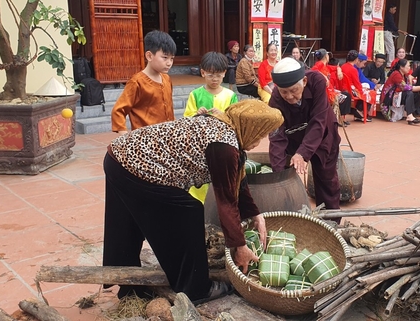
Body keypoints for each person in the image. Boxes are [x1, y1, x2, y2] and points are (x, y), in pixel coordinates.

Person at [103, 100, 284, 302]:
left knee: (128, 224)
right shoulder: (223, 146)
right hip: (135, 165)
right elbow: (226, 200)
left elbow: (236, 182)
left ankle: (130, 289)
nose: (258, 141)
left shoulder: (227, 124)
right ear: (248, 126)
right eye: (259, 134)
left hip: (119, 157)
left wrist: (254, 214)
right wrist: (240, 247)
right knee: (187, 213)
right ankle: (196, 289)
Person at [267, 58, 342, 219]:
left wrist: (303, 153)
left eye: (294, 90)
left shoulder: (317, 81)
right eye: (284, 91)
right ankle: (290, 216)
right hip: (294, 137)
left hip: (324, 134)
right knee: (286, 175)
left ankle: (332, 220)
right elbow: (276, 137)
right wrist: (278, 176)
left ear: (304, 81)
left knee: (326, 178)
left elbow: (318, 121)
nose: (289, 96)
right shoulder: (275, 99)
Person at [184, 52, 239, 202]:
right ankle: (200, 203)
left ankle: (219, 203)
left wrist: (222, 115)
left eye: (218, 75)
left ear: (224, 74)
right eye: (210, 75)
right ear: (203, 73)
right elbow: (187, 119)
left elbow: (235, 120)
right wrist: (197, 114)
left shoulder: (230, 95)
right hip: (201, 146)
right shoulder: (195, 95)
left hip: (222, 144)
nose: (215, 79)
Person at [111, 30, 176, 134]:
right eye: (165, 57)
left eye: (171, 58)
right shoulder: (137, 82)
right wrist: (125, 138)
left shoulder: (167, 79)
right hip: (145, 140)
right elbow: (118, 111)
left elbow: (169, 110)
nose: (169, 63)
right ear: (149, 56)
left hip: (167, 139)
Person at [312, 49, 350, 126]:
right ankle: (338, 119)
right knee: (345, 97)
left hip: (329, 90)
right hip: (325, 92)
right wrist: (324, 77)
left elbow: (336, 67)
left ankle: (339, 118)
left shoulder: (326, 66)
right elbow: (313, 70)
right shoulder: (320, 64)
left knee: (345, 95)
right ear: (326, 56)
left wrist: (339, 70)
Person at [381, 59, 420, 124]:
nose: (410, 68)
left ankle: (410, 113)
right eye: (408, 66)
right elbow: (406, 87)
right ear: (401, 67)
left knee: (416, 94)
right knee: (409, 93)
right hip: (388, 99)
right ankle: (409, 116)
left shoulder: (404, 75)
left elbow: (409, 85)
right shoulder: (396, 74)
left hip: (396, 95)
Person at [341, 50, 371, 122]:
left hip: (343, 88)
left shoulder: (343, 66)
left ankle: (359, 112)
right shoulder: (353, 69)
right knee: (368, 93)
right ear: (356, 59)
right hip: (350, 89)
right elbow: (357, 83)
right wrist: (361, 90)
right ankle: (361, 112)